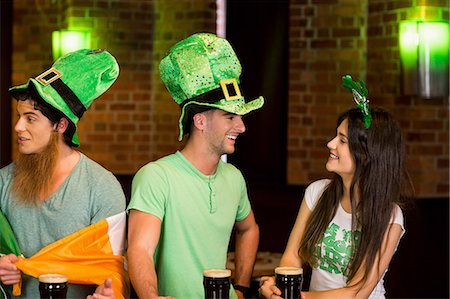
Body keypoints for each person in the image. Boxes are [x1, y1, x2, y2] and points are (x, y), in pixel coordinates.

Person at [127, 32, 264, 299]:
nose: (241, 126)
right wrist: (150, 297)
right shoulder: (156, 176)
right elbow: (139, 250)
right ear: (200, 121)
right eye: (230, 117)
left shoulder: (234, 177)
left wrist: (242, 287)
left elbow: (249, 228)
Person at [259, 75, 414, 299]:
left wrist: (299, 297)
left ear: (366, 156)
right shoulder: (317, 192)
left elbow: (358, 291)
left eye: (342, 140)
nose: (330, 144)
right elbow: (292, 257)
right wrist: (281, 287)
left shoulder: (390, 215)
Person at [0, 49, 126, 299]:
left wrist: (111, 292)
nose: (18, 127)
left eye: (30, 119)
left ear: (61, 125)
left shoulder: (102, 187)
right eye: (19, 117)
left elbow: (113, 269)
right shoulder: (3, 181)